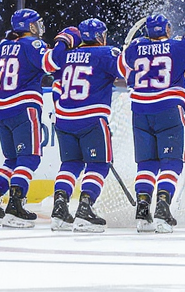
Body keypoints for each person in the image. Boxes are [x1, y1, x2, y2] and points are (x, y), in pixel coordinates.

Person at [119, 12, 185, 233]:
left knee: (147, 164)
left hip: (139, 111)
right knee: (172, 162)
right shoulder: (178, 46)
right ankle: (162, 208)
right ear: (167, 29)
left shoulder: (135, 47)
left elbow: (123, 70)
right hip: (168, 108)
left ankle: (142, 210)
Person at [44, 18, 121, 232]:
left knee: (70, 164)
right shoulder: (106, 53)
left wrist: (61, 40)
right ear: (98, 36)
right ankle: (85, 209)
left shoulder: (65, 56)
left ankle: (59, 208)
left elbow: (53, 76)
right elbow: (128, 73)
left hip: (64, 119)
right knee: (98, 165)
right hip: (92, 118)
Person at [0, 9, 51, 228]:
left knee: (11, 160)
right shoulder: (35, 45)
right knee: (29, 158)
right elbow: (51, 66)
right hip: (24, 107)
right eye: (37, 24)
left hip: (1, 109)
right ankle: (15, 206)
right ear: (30, 27)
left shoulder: (3, 46)